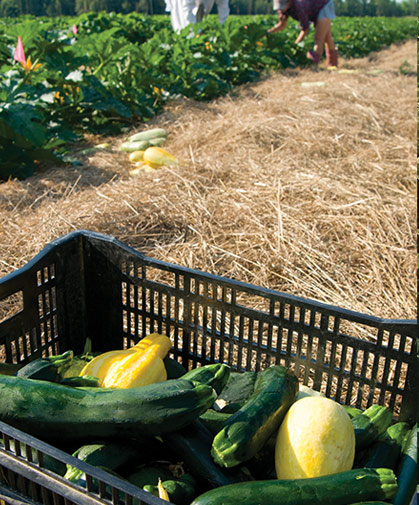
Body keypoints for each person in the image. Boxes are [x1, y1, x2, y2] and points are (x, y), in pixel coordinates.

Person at [267, 0, 338, 68]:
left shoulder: (299, 6)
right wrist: (269, 31)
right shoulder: (283, 10)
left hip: (324, 5)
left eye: (282, 6)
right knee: (327, 37)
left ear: (289, 2)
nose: (280, 9)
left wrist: (295, 45)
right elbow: (282, 25)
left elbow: (305, 30)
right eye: (279, 7)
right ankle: (333, 65)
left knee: (319, 39)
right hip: (314, 8)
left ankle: (313, 65)